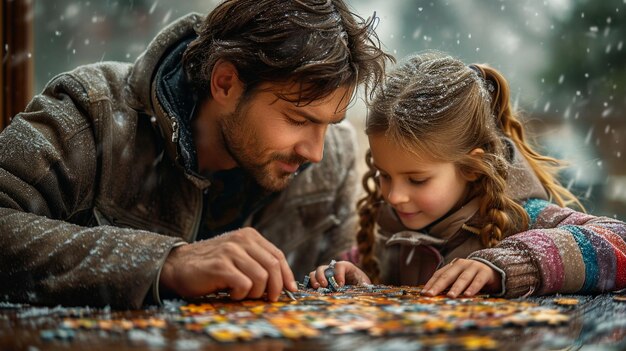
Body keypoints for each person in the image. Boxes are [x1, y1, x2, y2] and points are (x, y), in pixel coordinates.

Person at [0, 0, 393, 309]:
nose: (317, 151)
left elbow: (336, 284)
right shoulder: (90, 114)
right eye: (297, 119)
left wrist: (340, 280)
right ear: (225, 83)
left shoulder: (335, 160)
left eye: (330, 123)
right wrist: (165, 264)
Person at [307, 51, 626, 298]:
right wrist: (353, 275)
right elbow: (367, 276)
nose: (394, 196)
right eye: (384, 175)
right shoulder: (393, 235)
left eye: (417, 180)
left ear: (472, 168)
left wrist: (512, 264)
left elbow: (619, 241)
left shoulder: (521, 219)